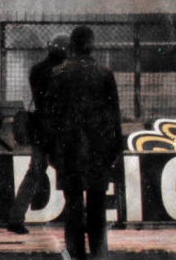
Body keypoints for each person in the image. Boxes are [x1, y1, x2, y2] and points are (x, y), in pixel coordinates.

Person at [46, 26, 122, 259]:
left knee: (73, 208)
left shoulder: (58, 74)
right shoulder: (104, 73)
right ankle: (99, 254)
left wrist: (52, 150)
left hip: (68, 149)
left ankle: (76, 254)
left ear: (72, 45)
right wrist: (115, 148)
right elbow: (114, 115)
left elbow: (51, 117)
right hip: (98, 149)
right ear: (91, 44)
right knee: (97, 209)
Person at [7, 34, 70, 234]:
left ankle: (16, 217)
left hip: (41, 130)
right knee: (68, 175)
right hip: (59, 131)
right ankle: (80, 217)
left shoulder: (36, 70)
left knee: (34, 173)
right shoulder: (65, 72)